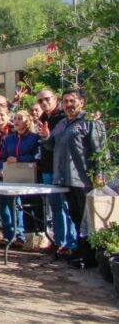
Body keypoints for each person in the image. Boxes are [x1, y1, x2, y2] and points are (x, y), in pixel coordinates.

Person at [39, 89, 106, 269]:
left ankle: (90, 256)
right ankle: (80, 250)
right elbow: (50, 145)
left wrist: (100, 173)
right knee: (75, 216)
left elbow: (99, 150)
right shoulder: (61, 124)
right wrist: (45, 136)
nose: (68, 105)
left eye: (72, 101)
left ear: (81, 103)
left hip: (84, 179)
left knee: (88, 218)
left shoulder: (90, 122)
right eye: (65, 101)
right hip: (65, 178)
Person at [35, 89, 76, 254]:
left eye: (47, 99)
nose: (44, 103)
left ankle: (71, 243)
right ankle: (58, 240)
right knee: (55, 207)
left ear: (55, 99)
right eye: (40, 101)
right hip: (46, 167)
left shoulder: (62, 117)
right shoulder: (44, 117)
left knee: (67, 206)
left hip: (61, 168)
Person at [0, 110, 40, 247]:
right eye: (15, 118)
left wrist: (18, 159)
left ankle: (21, 234)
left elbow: (36, 156)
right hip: (9, 175)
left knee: (20, 206)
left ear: (27, 121)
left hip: (26, 176)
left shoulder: (34, 137)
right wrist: (0, 168)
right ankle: (8, 234)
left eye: (20, 118)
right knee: (5, 205)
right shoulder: (9, 138)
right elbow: (3, 156)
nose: (16, 121)